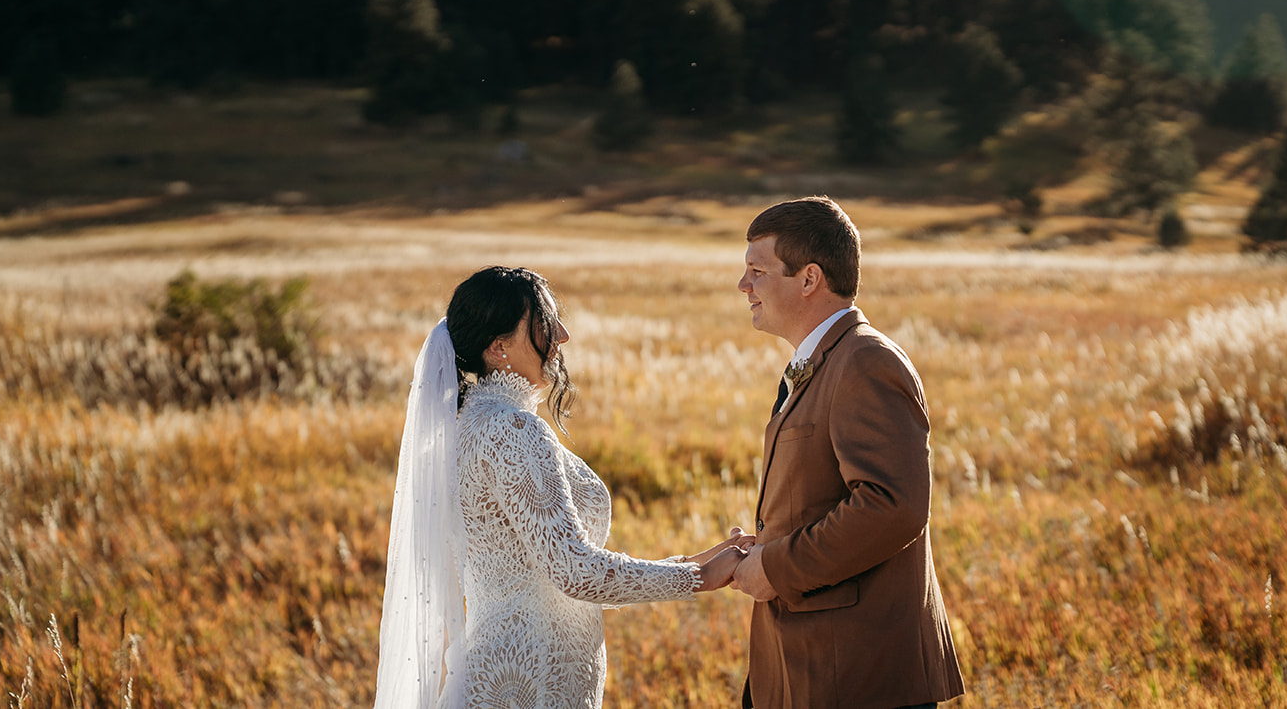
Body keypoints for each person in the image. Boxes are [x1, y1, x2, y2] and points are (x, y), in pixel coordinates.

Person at [374, 265, 750, 709]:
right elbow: (576, 573)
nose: (563, 335)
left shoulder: (472, 424)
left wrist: (697, 560)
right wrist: (699, 578)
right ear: (498, 347)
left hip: (523, 673)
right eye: (544, 325)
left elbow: (549, 578)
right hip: (524, 683)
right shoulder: (512, 431)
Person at [730, 197, 965, 709]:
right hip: (808, 663)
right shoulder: (820, 359)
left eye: (757, 270)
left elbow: (891, 506)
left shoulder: (865, 361)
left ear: (809, 278)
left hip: (856, 673)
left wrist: (777, 567)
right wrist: (767, 545)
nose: (744, 286)